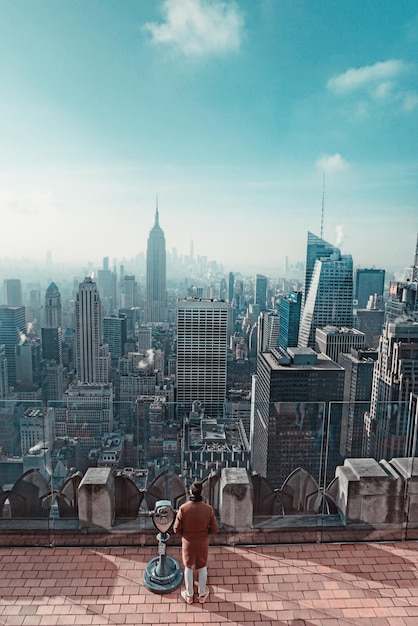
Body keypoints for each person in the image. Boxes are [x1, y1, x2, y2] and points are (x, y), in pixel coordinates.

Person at [173, 481, 218, 604]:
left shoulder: (183, 509)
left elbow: (176, 529)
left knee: (188, 566)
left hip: (188, 542)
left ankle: (189, 595)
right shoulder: (208, 509)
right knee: (202, 566)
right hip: (202, 541)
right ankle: (202, 594)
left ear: (190, 492)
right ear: (201, 492)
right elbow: (214, 529)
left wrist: (185, 534)